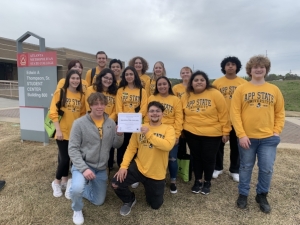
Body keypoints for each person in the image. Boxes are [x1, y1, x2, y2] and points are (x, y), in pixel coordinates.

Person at [231, 55, 285, 213]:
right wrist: (241, 134)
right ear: (250, 70)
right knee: (246, 167)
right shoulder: (241, 89)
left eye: (262, 67)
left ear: (266, 70)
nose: (259, 69)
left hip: (268, 138)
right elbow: (235, 113)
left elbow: (280, 112)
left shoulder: (274, 89)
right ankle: (243, 194)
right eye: (255, 67)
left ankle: (261, 194)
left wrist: (276, 132)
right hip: (248, 138)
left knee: (266, 168)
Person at [67, 92, 124, 225]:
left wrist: (119, 135)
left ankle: (75, 187)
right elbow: (73, 149)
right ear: (90, 105)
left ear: (105, 105)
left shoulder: (110, 123)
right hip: (83, 165)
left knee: (99, 201)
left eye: (102, 103)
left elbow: (116, 144)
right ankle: (77, 208)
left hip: (101, 168)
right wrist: (84, 169)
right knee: (77, 189)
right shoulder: (79, 123)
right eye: (96, 104)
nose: (99, 106)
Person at [112, 101, 176, 216]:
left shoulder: (169, 129)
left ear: (162, 114)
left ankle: (149, 187)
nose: (155, 113)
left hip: (156, 172)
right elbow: (131, 149)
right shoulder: (140, 127)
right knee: (116, 183)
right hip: (139, 166)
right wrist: (123, 167)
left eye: (158, 111)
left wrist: (149, 134)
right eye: (152, 111)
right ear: (147, 114)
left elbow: (167, 146)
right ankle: (129, 199)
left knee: (155, 205)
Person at [182, 71, 231, 195]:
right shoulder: (186, 96)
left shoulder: (215, 94)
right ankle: (198, 180)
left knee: (209, 158)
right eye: (196, 80)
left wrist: (226, 131)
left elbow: (223, 114)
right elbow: (181, 114)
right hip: (191, 133)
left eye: (202, 80)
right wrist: (181, 130)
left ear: (206, 82)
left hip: (212, 134)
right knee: (196, 157)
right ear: (191, 83)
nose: (199, 82)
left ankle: (207, 181)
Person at [49, 69, 85, 198]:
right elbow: (53, 112)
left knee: (72, 160)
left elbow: (82, 114)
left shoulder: (81, 95)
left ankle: (65, 180)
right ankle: (56, 182)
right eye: (73, 78)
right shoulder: (61, 92)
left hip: (75, 133)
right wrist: (58, 130)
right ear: (68, 79)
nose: (75, 80)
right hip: (62, 132)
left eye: (77, 78)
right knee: (64, 159)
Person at [212, 56, 247, 182]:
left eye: (233, 64)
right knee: (218, 146)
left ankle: (234, 170)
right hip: (220, 120)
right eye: (228, 64)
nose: (230, 66)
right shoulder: (217, 83)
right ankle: (218, 167)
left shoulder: (243, 83)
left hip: (237, 120)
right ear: (224, 67)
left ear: (237, 67)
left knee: (236, 147)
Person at [146, 77, 182, 193]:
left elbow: (179, 118)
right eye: (159, 84)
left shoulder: (175, 99)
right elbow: (147, 114)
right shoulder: (152, 97)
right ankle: (153, 178)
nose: (162, 86)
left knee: (172, 158)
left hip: (169, 132)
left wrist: (177, 135)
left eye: (164, 84)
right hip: (154, 131)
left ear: (169, 85)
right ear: (156, 86)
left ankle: (172, 181)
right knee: (154, 156)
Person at [85, 68, 118, 171]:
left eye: (110, 79)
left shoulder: (115, 92)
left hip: (109, 123)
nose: (108, 80)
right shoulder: (91, 89)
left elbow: (116, 109)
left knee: (108, 146)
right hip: (93, 122)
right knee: (93, 145)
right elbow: (88, 106)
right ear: (101, 77)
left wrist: (107, 121)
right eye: (106, 77)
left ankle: (107, 167)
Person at [116, 66, 147, 169]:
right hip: (123, 124)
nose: (129, 76)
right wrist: (123, 121)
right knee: (122, 147)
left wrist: (135, 119)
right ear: (124, 76)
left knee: (134, 147)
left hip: (135, 124)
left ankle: (133, 170)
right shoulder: (121, 90)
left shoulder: (142, 91)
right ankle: (121, 167)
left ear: (135, 75)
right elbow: (118, 107)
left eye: (131, 74)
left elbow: (144, 108)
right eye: (127, 74)